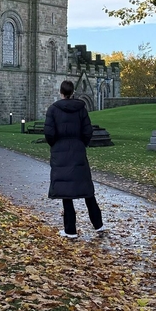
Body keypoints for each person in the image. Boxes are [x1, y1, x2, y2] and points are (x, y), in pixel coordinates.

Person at [44, 80, 105, 239]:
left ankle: (70, 230)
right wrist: (80, 144)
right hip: (78, 150)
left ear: (61, 92)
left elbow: (49, 133)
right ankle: (98, 224)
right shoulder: (81, 109)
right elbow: (87, 131)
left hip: (61, 151)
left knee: (66, 192)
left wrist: (56, 145)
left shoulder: (53, 110)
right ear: (73, 93)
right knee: (86, 189)